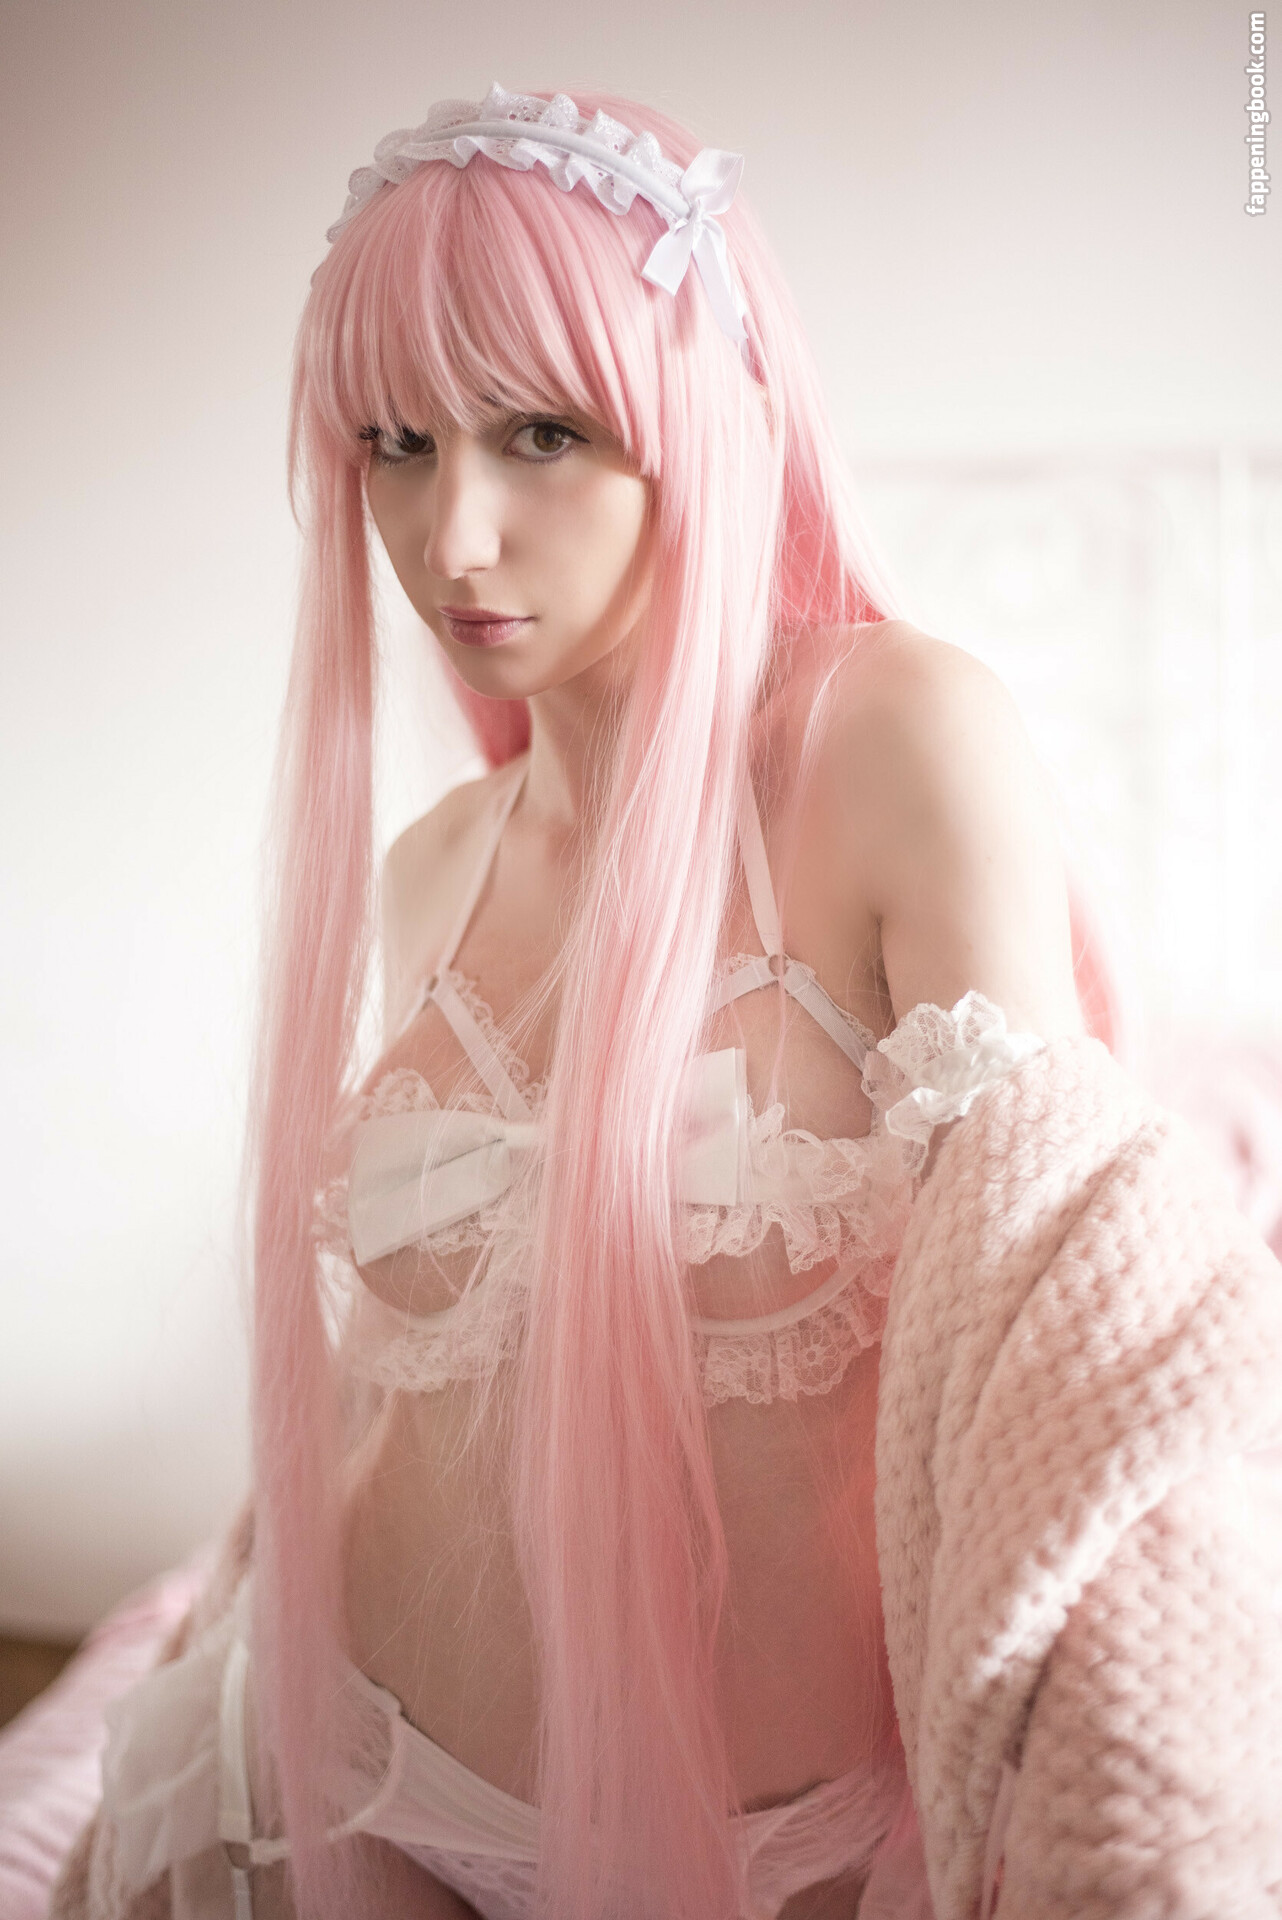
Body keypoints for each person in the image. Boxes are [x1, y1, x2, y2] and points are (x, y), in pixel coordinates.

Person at [48, 85, 1282, 1920]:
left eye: (540, 433)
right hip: (357, 1763)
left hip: (791, 1839)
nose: (452, 538)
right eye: (396, 445)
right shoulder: (432, 867)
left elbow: (1057, 1301)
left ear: (703, 424)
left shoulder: (886, 738)